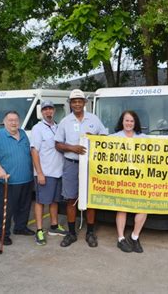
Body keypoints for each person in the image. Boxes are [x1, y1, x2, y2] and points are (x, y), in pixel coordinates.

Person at [55, 89, 107, 248]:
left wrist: (95, 138)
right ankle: (71, 233)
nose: (77, 104)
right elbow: (57, 144)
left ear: (84, 103)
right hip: (72, 164)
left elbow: (105, 137)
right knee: (71, 199)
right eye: (74, 101)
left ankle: (90, 232)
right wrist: (72, 148)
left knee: (90, 199)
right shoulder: (65, 121)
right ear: (70, 104)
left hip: (90, 164)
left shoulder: (94, 119)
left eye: (80, 101)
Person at [0, 111, 35, 246]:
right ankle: (3, 233)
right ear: (4, 122)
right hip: (7, 180)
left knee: (24, 206)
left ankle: (20, 227)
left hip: (26, 178)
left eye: (16, 120)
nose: (13, 123)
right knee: (5, 209)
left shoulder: (23, 134)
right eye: (10, 120)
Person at [30, 100, 68, 246]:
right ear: (42, 112)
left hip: (58, 172)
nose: (48, 112)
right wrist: (39, 172)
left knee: (54, 201)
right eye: (45, 109)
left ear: (54, 110)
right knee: (41, 201)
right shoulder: (38, 128)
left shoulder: (58, 127)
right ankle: (39, 230)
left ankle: (54, 225)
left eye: (50, 109)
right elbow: (34, 151)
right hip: (45, 172)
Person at [111, 110, 147, 253]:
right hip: (121, 179)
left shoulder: (143, 137)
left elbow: (161, 146)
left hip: (139, 178)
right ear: (122, 122)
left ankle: (134, 236)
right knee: (122, 208)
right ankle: (121, 238)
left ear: (135, 122)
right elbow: (99, 145)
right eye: (126, 120)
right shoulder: (114, 137)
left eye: (131, 121)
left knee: (143, 208)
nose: (129, 123)